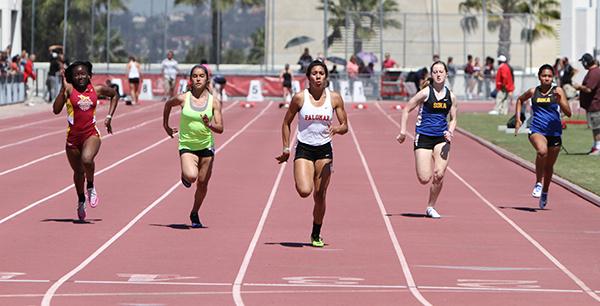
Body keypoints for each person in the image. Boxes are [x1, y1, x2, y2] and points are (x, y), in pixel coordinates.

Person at [275, 60, 348, 247]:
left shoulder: (335, 98)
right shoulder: (300, 98)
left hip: (325, 150)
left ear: (326, 77)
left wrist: (338, 129)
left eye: (321, 73)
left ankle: (316, 233)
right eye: (314, 73)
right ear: (308, 77)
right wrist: (285, 148)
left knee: (320, 195)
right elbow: (286, 123)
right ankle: (301, 175)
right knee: (304, 191)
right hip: (305, 149)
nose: (318, 77)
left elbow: (345, 125)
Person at [52, 61, 120, 221]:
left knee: (87, 160)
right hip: (73, 138)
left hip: (91, 134)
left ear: (89, 75)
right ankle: (81, 199)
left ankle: (90, 186)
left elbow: (114, 95)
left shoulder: (97, 90)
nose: (80, 77)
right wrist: (62, 90)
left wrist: (109, 117)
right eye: (76, 75)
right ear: (72, 77)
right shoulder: (69, 90)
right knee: (78, 172)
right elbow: (55, 110)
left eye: (83, 74)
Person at [163, 65, 223, 228]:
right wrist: (166, 126)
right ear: (191, 79)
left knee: (202, 184)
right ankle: (185, 175)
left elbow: (220, 128)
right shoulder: (183, 98)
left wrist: (208, 124)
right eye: (195, 76)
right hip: (187, 145)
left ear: (206, 79)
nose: (198, 79)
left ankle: (195, 212)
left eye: (201, 76)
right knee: (191, 176)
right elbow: (168, 105)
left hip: (207, 147)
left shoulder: (214, 102)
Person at [396, 61, 458, 219]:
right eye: (435, 72)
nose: (438, 74)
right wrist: (403, 131)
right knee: (424, 179)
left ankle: (431, 206)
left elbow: (454, 119)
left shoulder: (451, 96)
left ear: (446, 74)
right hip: (423, 137)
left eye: (441, 71)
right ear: (432, 75)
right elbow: (406, 109)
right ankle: (422, 160)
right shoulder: (425, 93)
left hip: (441, 138)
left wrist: (450, 131)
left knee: (439, 174)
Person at [515, 64, 571, 208]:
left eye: (549, 76)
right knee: (542, 151)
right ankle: (538, 183)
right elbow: (520, 100)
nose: (546, 78)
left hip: (555, 132)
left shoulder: (557, 91)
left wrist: (560, 100)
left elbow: (568, 112)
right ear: (539, 77)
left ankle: (545, 192)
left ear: (553, 77)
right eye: (544, 75)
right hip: (537, 130)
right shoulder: (534, 91)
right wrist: (518, 119)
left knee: (549, 166)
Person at [573, 53, 600, 155]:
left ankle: (598, 147)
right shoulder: (593, 71)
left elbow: (589, 89)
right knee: (595, 127)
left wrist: (578, 87)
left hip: (595, 105)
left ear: (586, 62)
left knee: (597, 127)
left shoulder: (594, 72)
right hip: (592, 104)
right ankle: (595, 146)